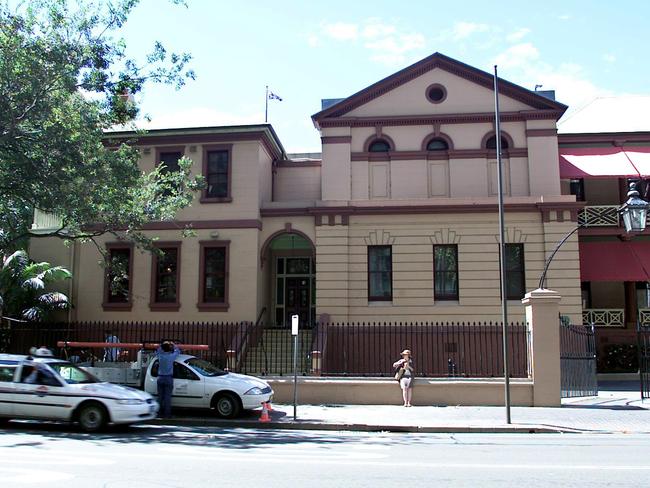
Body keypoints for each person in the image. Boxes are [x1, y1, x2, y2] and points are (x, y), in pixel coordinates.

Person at [155, 341, 181, 418]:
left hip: (160, 377)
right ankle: (167, 414)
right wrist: (173, 345)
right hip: (168, 378)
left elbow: (158, 350)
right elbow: (178, 351)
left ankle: (158, 413)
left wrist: (162, 345)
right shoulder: (171, 357)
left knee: (160, 397)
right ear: (169, 349)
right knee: (167, 397)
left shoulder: (160, 356)